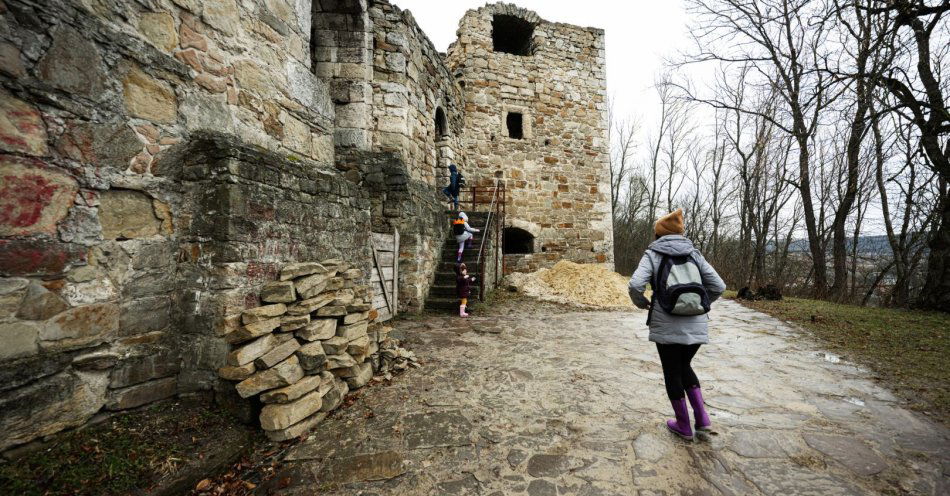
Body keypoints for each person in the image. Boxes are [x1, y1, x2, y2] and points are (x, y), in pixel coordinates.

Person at [627, 208, 726, 441]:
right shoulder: (695, 254)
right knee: (685, 367)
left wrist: (644, 304)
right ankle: (702, 420)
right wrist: (701, 305)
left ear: (658, 234)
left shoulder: (652, 254)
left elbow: (635, 285)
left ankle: (683, 425)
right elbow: (719, 286)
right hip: (697, 323)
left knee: (673, 371)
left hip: (666, 322)